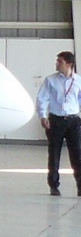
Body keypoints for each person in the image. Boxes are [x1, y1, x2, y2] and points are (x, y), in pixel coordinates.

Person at [37, 50, 81, 195]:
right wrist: (43, 116)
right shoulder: (50, 80)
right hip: (56, 120)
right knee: (54, 153)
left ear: (69, 64)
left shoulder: (78, 81)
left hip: (73, 121)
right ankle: (54, 185)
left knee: (77, 154)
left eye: (60, 61)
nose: (56, 64)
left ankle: (80, 185)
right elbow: (42, 98)